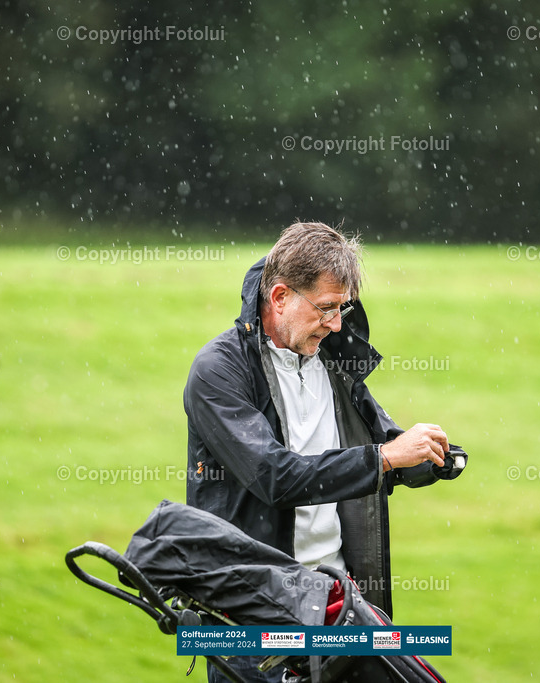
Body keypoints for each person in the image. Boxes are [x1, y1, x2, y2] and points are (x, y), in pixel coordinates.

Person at [183, 222, 465, 682]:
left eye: (343, 308)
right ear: (279, 298)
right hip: (253, 622)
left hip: (338, 606)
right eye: (327, 308)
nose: (337, 324)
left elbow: (379, 449)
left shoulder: (330, 357)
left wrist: (432, 461)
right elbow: (277, 477)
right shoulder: (217, 371)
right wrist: (387, 458)